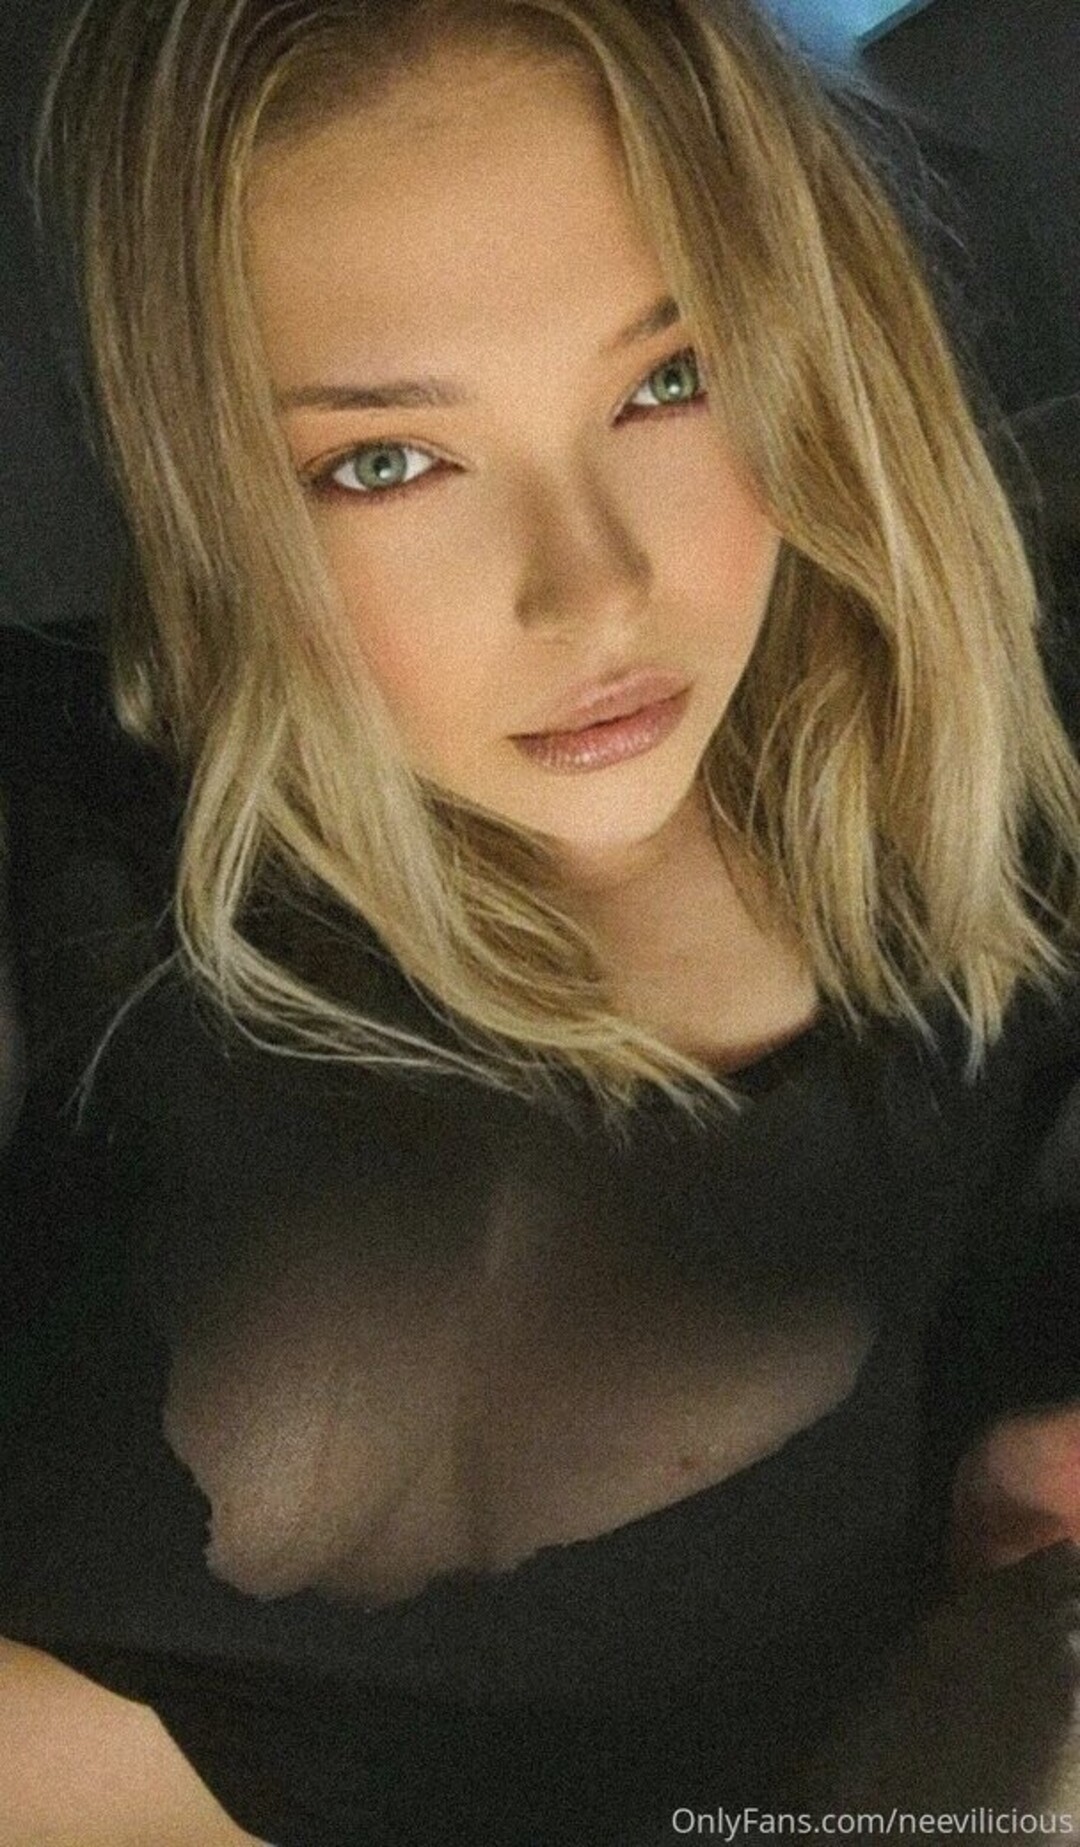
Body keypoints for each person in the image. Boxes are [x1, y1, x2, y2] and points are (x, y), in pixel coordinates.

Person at [1, 0, 1079, 1841]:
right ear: (210, 492)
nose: (593, 590)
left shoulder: (1005, 856)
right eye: (387, 461)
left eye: (671, 379)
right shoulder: (60, 858)